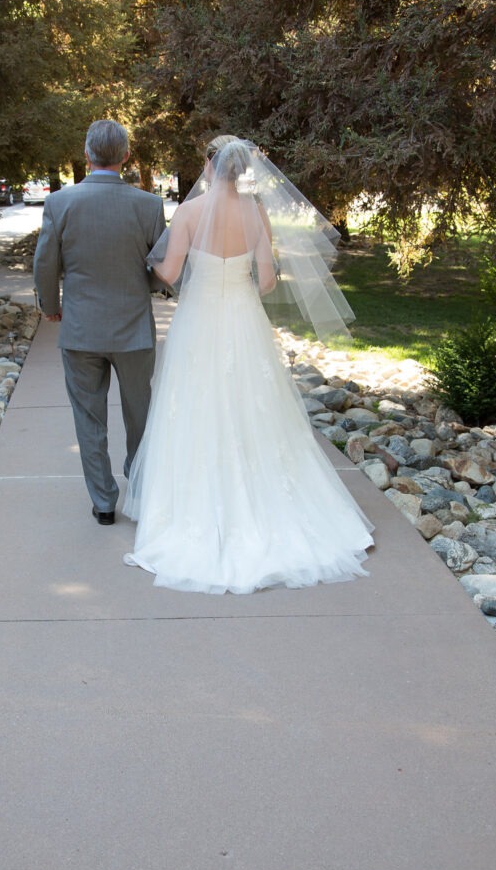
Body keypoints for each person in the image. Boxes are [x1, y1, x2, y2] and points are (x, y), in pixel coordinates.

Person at [122, 135, 374, 593]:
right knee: (255, 406)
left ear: (209, 166)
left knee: (194, 404)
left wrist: (148, 267)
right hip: (242, 318)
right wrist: (237, 285)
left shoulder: (191, 212)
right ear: (240, 170)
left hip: (199, 319)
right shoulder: (257, 212)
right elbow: (267, 278)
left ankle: (190, 507)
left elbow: (172, 273)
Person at [33, 119, 166, 525]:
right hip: (133, 329)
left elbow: (45, 264)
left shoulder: (60, 203)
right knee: (140, 413)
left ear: (87, 154)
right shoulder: (148, 205)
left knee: (89, 418)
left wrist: (50, 305)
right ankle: (139, 489)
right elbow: (161, 269)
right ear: (126, 156)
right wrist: (143, 284)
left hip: (80, 329)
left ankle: (104, 502)